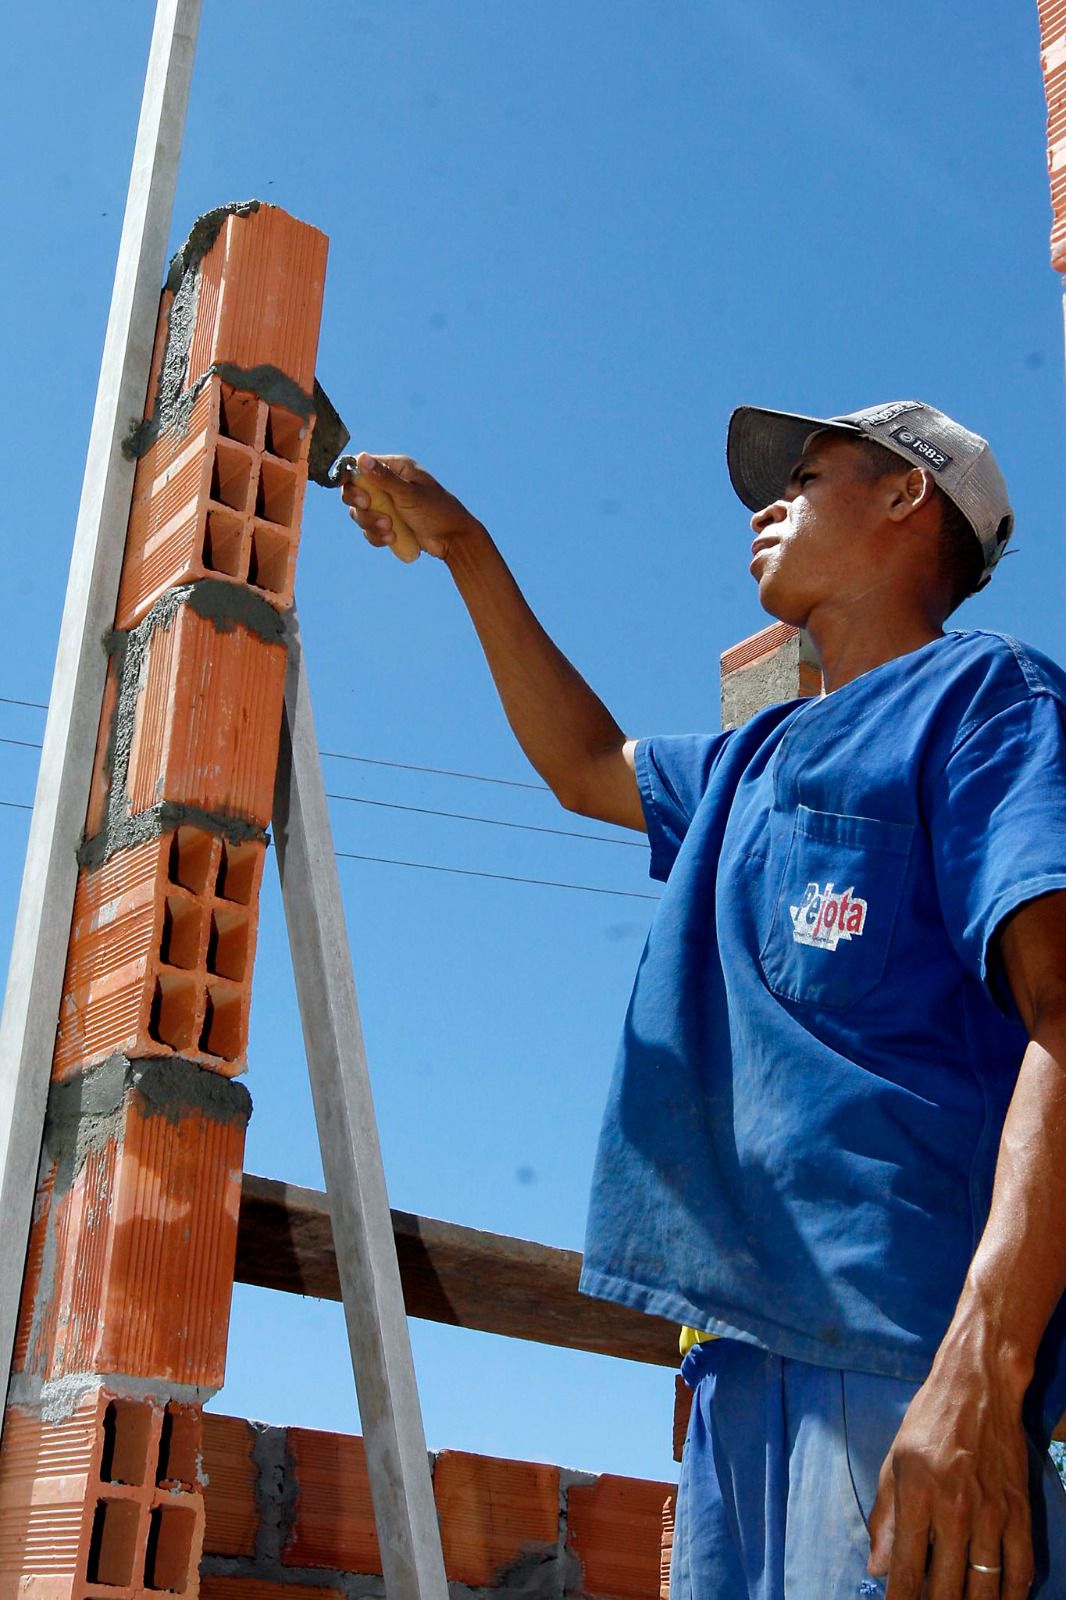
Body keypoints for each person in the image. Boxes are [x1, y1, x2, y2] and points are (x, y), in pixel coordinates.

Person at [342, 400, 1066, 1599]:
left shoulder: (987, 699)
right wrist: (465, 543)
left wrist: (981, 1373)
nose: (766, 503)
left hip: (902, 1352)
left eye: (808, 473)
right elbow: (584, 766)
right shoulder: (747, 760)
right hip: (737, 1363)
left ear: (907, 497)